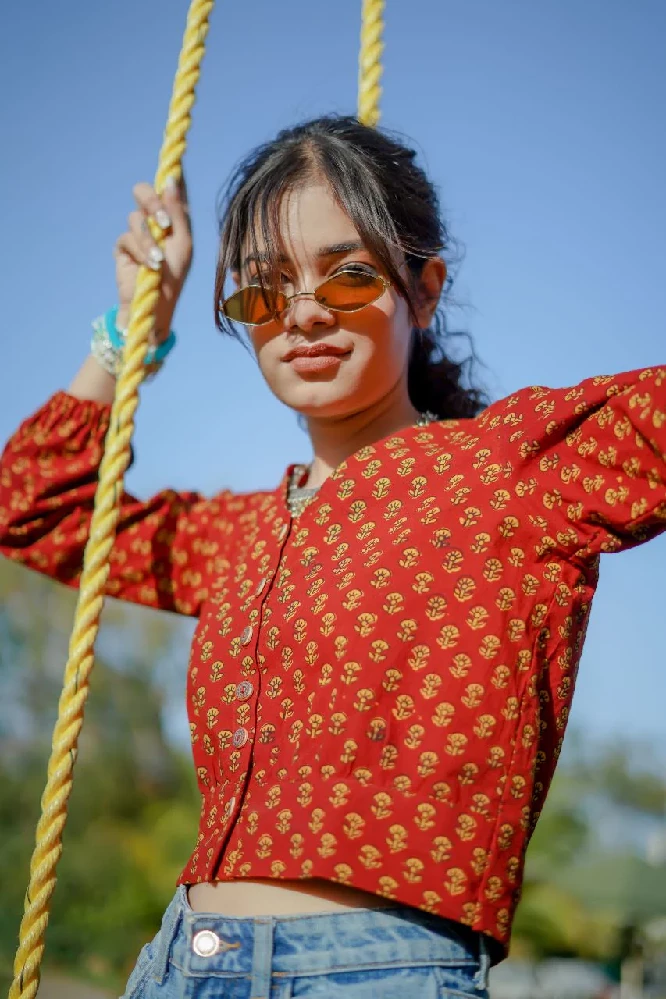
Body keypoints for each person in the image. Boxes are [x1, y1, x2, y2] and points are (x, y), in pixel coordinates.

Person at [1, 115, 664, 999]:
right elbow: (32, 506)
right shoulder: (238, 534)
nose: (304, 313)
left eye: (348, 276)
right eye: (263, 291)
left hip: (382, 972)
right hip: (178, 962)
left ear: (423, 290)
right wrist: (133, 329)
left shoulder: (508, 471)